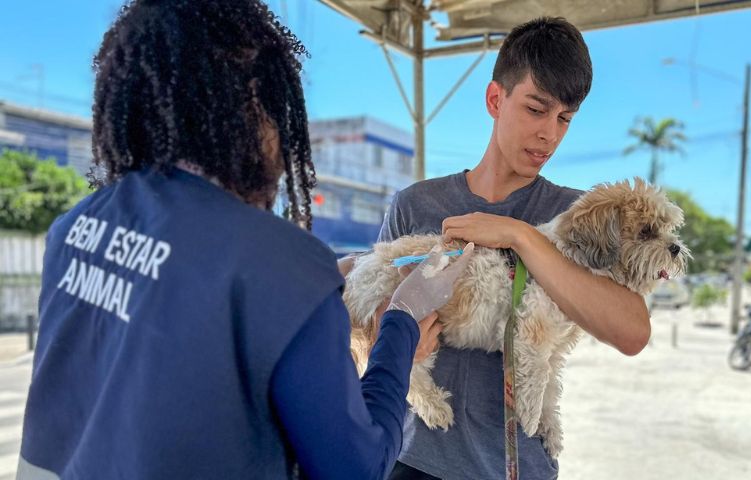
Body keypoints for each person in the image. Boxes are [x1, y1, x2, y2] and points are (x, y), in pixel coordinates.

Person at [16, 1, 474, 479]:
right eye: (277, 110)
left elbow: (178, 311)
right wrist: (400, 326)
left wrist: (319, 286)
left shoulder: (73, 229)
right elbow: (354, 468)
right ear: (252, 109)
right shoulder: (283, 267)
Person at [344, 17, 652, 480]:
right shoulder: (417, 204)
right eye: (536, 109)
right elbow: (373, 326)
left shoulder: (573, 216)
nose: (550, 133)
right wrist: (387, 321)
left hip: (515, 466)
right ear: (495, 99)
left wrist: (520, 236)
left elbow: (631, 331)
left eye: (565, 118)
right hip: (412, 459)